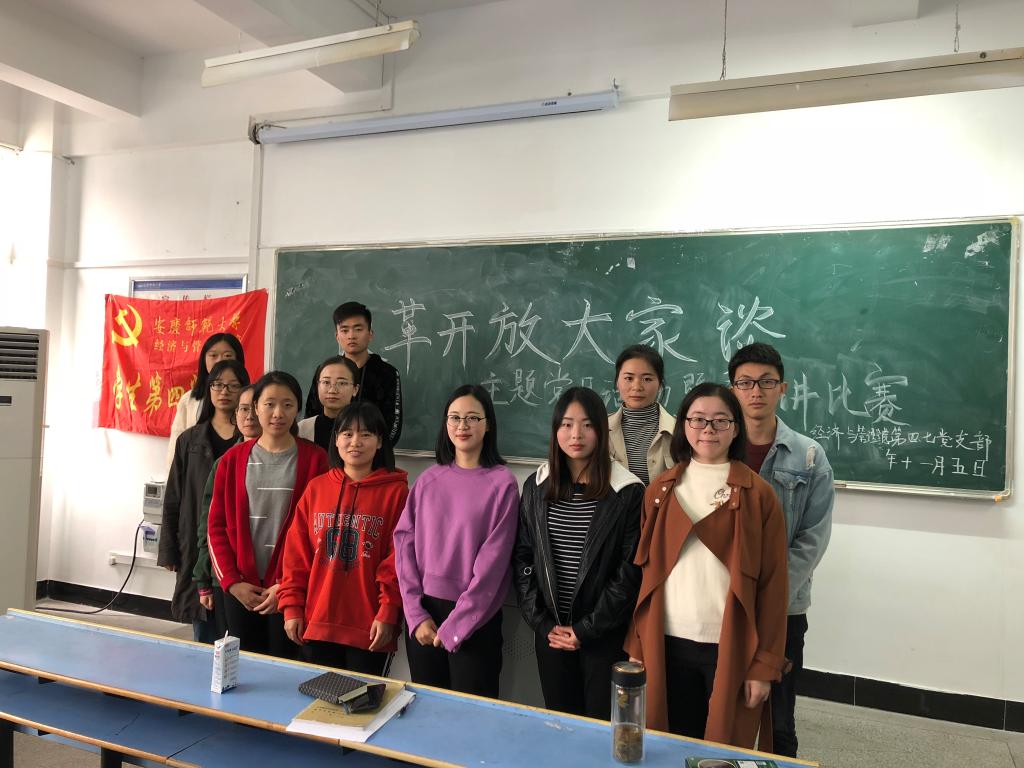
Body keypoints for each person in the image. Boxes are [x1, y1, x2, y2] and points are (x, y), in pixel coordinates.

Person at [625, 382, 788, 749]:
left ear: (736, 428)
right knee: (670, 745)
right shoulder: (660, 491)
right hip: (666, 641)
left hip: (729, 645)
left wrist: (764, 666)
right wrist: (637, 645)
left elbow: (773, 586)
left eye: (720, 421)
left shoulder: (759, 495)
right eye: (698, 419)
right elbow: (645, 576)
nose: (708, 430)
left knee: (720, 750)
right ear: (683, 425)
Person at [728, 342, 834, 758]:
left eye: (766, 382)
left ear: (783, 388)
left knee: (779, 720)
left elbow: (813, 538)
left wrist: (767, 593)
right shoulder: (715, 449)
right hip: (722, 604)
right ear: (732, 389)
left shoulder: (808, 456)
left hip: (784, 610)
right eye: (746, 383)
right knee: (720, 710)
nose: (756, 391)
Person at [514, 387, 643, 719]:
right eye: (567, 424)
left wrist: (586, 629)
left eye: (587, 425)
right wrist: (543, 623)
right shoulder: (536, 486)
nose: (576, 435)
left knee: (600, 727)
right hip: (552, 634)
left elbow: (629, 571)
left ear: (601, 430)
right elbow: (523, 558)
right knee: (561, 723)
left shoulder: (626, 491)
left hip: (603, 637)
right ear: (556, 429)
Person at [393, 384, 519, 698]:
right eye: (455, 418)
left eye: (472, 417)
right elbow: (404, 545)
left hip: (476, 619)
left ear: (488, 424)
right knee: (427, 712)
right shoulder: (428, 479)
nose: (462, 425)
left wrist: (458, 625)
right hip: (425, 614)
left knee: (470, 717)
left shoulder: (503, 483)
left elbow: (494, 564)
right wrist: (415, 614)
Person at [279, 401, 409, 675]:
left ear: (379, 441)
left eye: (366, 434)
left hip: (370, 627)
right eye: (347, 434)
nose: (355, 442)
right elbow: (296, 555)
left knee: (363, 701)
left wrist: (389, 610)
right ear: (336, 440)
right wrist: (291, 606)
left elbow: (398, 560)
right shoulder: (316, 488)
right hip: (317, 621)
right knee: (319, 700)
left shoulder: (397, 493)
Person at [208, 371, 328, 656]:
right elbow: (216, 527)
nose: (278, 413)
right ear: (256, 407)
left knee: (286, 667)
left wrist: (286, 585)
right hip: (241, 588)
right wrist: (232, 583)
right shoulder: (232, 460)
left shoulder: (316, 460)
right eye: (269, 404)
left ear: (298, 409)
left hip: (290, 589)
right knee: (244, 667)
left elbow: (321, 532)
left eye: (287, 405)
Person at [159, 359, 248, 641]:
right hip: (196, 543)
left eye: (233, 386)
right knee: (204, 627)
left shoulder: (252, 439)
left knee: (239, 631)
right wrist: (168, 548)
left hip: (236, 545)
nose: (225, 392)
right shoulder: (190, 440)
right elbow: (173, 496)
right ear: (208, 389)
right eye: (218, 385)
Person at [193, 383, 262, 641]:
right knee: (232, 648)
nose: (249, 416)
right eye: (243, 409)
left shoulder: (295, 459)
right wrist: (203, 579)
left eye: (255, 409)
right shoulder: (225, 462)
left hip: (271, 580)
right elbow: (209, 525)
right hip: (227, 577)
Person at [304, 302, 402, 450]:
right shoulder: (326, 370)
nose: (351, 336)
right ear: (337, 336)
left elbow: (393, 424)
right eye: (344, 330)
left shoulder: (386, 372)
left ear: (370, 334)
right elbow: (312, 413)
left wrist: (372, 451)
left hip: (370, 455)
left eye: (358, 329)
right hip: (324, 453)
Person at [167, 332, 245, 468]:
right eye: (213, 355)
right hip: (197, 471)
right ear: (204, 360)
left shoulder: (248, 397)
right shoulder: (189, 400)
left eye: (227, 355)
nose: (220, 361)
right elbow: (176, 444)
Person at [608, 344, 675, 485]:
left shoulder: (679, 430)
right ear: (617, 382)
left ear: (660, 384)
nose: (637, 387)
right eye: (629, 378)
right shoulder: (601, 429)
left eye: (647, 379)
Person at [297, 355, 360, 453]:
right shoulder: (303, 429)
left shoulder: (366, 426)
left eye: (342, 383)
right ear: (318, 386)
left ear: (355, 389)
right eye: (326, 382)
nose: (332, 390)